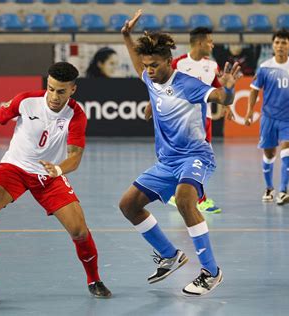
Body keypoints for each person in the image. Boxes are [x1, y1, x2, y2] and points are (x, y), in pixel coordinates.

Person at [0, 62, 112, 299]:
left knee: (79, 230)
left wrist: (58, 169)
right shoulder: (26, 100)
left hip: (49, 176)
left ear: (72, 89)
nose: (53, 96)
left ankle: (94, 279)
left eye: (61, 91)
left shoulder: (76, 116)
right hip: (15, 167)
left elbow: (75, 157)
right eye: (51, 88)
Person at [118, 10, 241, 296]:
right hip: (167, 161)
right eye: (147, 65)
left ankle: (211, 272)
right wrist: (126, 35)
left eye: (155, 65)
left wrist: (231, 91)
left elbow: (220, 97)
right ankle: (170, 256)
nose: (149, 70)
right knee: (128, 205)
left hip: (196, 156)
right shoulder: (150, 78)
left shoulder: (188, 84)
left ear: (168, 62)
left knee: (186, 200)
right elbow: (138, 61)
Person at [145, 27, 225, 214]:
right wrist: (151, 104)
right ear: (199, 42)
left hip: (203, 118)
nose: (212, 44)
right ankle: (199, 199)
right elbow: (161, 86)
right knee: (192, 157)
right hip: (181, 118)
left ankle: (188, 195)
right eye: (210, 41)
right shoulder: (179, 63)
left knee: (199, 159)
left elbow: (218, 89)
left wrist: (224, 108)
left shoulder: (212, 66)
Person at [245, 29, 289, 205]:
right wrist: (248, 112)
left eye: (284, 43)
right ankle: (269, 188)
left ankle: (283, 191)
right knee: (269, 154)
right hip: (268, 118)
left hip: (288, 118)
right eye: (277, 42)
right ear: (273, 45)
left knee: (287, 149)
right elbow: (254, 91)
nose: (280, 46)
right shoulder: (265, 67)